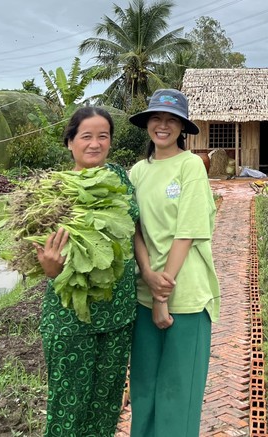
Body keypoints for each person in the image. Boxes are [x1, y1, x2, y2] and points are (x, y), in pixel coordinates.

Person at [33, 107, 139, 437]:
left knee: (106, 406)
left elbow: (134, 232)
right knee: (69, 407)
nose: (95, 144)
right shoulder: (53, 190)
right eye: (86, 136)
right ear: (70, 142)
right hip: (70, 316)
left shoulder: (120, 177)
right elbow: (35, 252)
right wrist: (49, 268)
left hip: (119, 313)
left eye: (103, 136)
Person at [128, 89, 221, 437]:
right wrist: (149, 277)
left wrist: (162, 295)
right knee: (145, 392)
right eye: (156, 118)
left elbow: (188, 230)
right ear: (147, 124)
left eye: (171, 120)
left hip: (186, 297)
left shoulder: (190, 166)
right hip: (144, 292)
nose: (162, 125)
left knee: (178, 395)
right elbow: (134, 229)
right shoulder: (137, 171)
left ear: (182, 127)